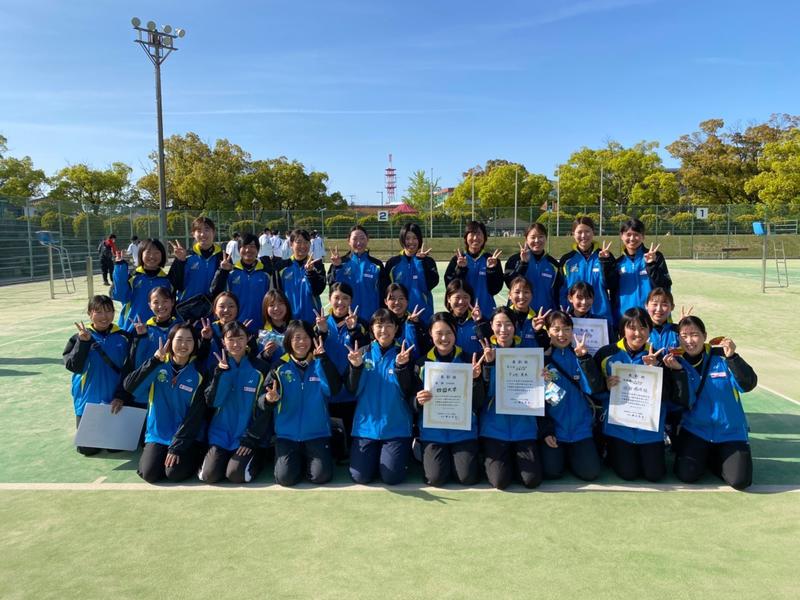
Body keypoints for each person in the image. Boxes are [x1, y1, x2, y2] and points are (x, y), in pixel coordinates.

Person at [594, 308, 689, 482]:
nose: (638, 333)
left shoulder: (660, 356)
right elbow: (593, 392)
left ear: (650, 330)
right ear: (623, 329)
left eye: (643, 328)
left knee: (655, 475)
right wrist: (605, 386)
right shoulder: (606, 354)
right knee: (628, 474)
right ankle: (612, 451)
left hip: (649, 429)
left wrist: (657, 371)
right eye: (632, 328)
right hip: (620, 428)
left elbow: (671, 397)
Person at [246, 320, 343, 486]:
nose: (302, 342)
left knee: (320, 477)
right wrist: (269, 400)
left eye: (306, 337)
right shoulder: (279, 368)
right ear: (289, 341)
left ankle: (313, 459)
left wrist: (323, 360)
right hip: (287, 435)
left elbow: (333, 390)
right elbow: (261, 401)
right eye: (297, 338)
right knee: (285, 479)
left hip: (317, 433)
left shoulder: (320, 363)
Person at [397, 312, 486, 486]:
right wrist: (418, 401)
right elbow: (409, 400)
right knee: (435, 479)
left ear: (455, 334)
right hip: (433, 432)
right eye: (439, 333)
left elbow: (478, 403)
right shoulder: (421, 364)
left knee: (467, 478)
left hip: (463, 431)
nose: (444, 338)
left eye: (449, 333)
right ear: (430, 333)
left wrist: (476, 380)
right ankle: (420, 447)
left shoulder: (469, 361)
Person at [671, 316, 756, 490]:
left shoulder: (722, 358)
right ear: (678, 338)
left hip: (730, 432)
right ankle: (706, 456)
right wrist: (678, 373)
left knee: (740, 482)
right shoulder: (676, 362)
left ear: (704, 335)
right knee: (686, 475)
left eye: (694, 335)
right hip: (696, 431)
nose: (689, 341)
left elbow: (748, 384)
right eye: (684, 336)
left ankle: (715, 458)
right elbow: (681, 402)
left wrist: (733, 357)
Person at [123, 323, 207, 483]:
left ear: (195, 344)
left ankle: (196, 456)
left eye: (189, 340)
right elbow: (129, 386)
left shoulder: (200, 374)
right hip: (158, 434)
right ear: (170, 342)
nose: (184, 345)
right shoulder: (157, 365)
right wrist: (154, 361)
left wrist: (177, 446)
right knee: (150, 474)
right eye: (179, 339)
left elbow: (195, 417)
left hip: (186, 436)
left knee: (174, 473)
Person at [345, 309, 415, 485]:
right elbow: (352, 390)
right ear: (372, 329)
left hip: (395, 426)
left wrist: (401, 367)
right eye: (379, 325)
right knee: (360, 477)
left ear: (396, 328)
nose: (384, 330)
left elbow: (407, 390)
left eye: (389, 325)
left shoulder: (404, 354)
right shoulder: (361, 353)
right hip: (366, 427)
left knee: (392, 477)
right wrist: (356, 368)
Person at [197, 322, 272, 484]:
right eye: (231, 339)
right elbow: (212, 402)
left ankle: (258, 457)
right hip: (220, 435)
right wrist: (221, 374)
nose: (236, 344)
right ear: (223, 341)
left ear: (249, 339)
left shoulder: (261, 368)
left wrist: (252, 438)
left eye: (240, 338)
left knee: (236, 475)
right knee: (209, 476)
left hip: (247, 435)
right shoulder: (216, 368)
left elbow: (265, 409)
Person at [540, 311, 605, 481]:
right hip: (555, 431)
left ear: (572, 330)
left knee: (590, 473)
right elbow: (535, 402)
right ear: (548, 332)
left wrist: (584, 359)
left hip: (581, 430)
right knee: (551, 472)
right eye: (556, 329)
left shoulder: (581, 356)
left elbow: (594, 388)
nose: (562, 335)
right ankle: (563, 456)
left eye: (566, 329)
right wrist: (546, 431)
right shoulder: (541, 361)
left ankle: (574, 456)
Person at [63, 295, 130, 456]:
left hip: (115, 399)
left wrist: (121, 395)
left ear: (114, 313)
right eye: (98, 312)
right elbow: (74, 366)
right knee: (87, 449)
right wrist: (83, 343)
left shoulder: (124, 337)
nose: (104, 316)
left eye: (108, 311)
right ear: (89, 314)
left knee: (116, 447)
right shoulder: (79, 338)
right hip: (88, 401)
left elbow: (130, 370)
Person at [313, 282, 370, 450]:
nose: (340, 302)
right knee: (332, 446)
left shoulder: (361, 323)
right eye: (336, 298)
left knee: (351, 445)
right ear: (329, 299)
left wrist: (353, 330)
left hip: (352, 392)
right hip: (327, 391)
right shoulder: (321, 323)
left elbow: (367, 350)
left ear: (351, 300)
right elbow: (311, 350)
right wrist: (321, 331)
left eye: (345, 298)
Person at [607, 218, 672, 323]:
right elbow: (611, 289)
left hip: (652, 318)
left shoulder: (656, 257)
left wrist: (651, 264)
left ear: (643, 236)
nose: (632, 238)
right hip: (626, 318)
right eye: (628, 234)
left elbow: (664, 286)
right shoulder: (618, 263)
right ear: (621, 236)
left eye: (636, 234)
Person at [210, 233, 273, 334]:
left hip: (261, 329)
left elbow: (272, 301)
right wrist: (222, 271)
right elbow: (215, 292)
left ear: (258, 249)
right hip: (234, 329)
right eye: (244, 247)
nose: (248, 250)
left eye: (252, 247)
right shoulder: (230, 272)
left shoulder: (266, 274)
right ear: (239, 249)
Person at [127, 287, 181, 405]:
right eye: (156, 302)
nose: (161, 306)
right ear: (149, 305)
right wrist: (141, 337)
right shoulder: (144, 329)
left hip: (171, 389)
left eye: (165, 301)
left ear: (172, 302)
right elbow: (136, 362)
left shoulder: (181, 328)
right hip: (146, 391)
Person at [558, 217, 615, 327]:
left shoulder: (605, 256)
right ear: (573, 234)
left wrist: (605, 262)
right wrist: (564, 312)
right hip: (573, 318)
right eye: (579, 232)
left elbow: (612, 285)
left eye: (587, 231)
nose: (583, 236)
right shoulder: (567, 260)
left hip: (601, 317)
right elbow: (562, 290)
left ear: (593, 232)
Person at [381, 222, 439, 325]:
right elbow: (386, 291)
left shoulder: (428, 261)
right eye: (407, 238)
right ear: (402, 240)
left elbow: (431, 284)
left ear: (420, 240)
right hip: (398, 317)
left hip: (423, 315)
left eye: (415, 238)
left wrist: (421, 262)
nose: (411, 242)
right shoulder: (393, 263)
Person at [112, 239, 172, 331]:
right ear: (141, 254)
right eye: (148, 252)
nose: (152, 256)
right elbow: (120, 295)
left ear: (162, 255)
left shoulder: (167, 280)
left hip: (158, 331)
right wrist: (120, 267)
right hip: (132, 329)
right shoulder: (133, 277)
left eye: (156, 252)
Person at [444, 221, 503, 313]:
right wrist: (460, 269)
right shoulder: (457, 259)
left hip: (486, 311)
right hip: (462, 311)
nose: (475, 238)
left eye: (479, 234)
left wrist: (491, 270)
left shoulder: (492, 260)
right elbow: (450, 288)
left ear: (484, 238)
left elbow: (495, 289)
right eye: (472, 234)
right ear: (466, 237)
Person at [328, 225, 384, 322]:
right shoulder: (340, 263)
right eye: (355, 239)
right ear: (348, 241)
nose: (359, 242)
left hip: (371, 319)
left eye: (362, 238)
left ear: (368, 239)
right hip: (346, 319)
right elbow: (332, 285)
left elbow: (383, 292)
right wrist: (337, 267)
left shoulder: (377, 265)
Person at [503, 223, 562, 314]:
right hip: (518, 314)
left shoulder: (553, 264)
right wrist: (523, 264)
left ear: (546, 238)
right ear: (526, 239)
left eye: (541, 236)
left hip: (545, 315)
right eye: (533, 237)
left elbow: (556, 292)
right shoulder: (514, 260)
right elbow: (510, 283)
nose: (537, 240)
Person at [272, 229, 326, 324]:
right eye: (299, 242)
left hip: (313, 321)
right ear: (291, 244)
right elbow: (276, 295)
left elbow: (318, 290)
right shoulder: (281, 267)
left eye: (306, 242)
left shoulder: (317, 265)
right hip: (288, 321)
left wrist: (310, 273)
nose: (303, 246)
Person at [168, 217, 223, 303]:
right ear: (193, 234)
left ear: (214, 232)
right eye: (199, 230)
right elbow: (174, 284)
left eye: (207, 229)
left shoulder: (223, 258)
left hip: (214, 312)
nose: (203, 234)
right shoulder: (185, 256)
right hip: (187, 311)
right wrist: (180, 262)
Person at [443, 279, 490, 359]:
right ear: (448, 299)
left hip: (477, 368)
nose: (461, 301)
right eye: (457, 297)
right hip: (452, 369)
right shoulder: (443, 321)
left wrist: (479, 323)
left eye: (465, 297)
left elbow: (489, 344)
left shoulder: (481, 320)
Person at [383, 282, 427, 360]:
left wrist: (413, 325)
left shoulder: (417, 322)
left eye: (401, 298)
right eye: (392, 299)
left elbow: (423, 349)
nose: (397, 302)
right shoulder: (380, 323)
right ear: (385, 302)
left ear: (407, 301)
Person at [506, 276, 550, 349]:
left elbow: (546, 347)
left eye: (526, 292)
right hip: (508, 359)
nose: (521, 296)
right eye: (517, 292)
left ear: (532, 295)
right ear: (509, 295)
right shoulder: (503, 317)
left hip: (531, 360)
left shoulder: (538, 319)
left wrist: (538, 332)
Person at [257, 289, 293, 368]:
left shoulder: (295, 328)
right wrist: (266, 354)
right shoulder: (263, 333)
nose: (276, 308)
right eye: (271, 305)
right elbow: (259, 364)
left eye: (280, 303)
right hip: (272, 377)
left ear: (287, 305)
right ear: (265, 308)